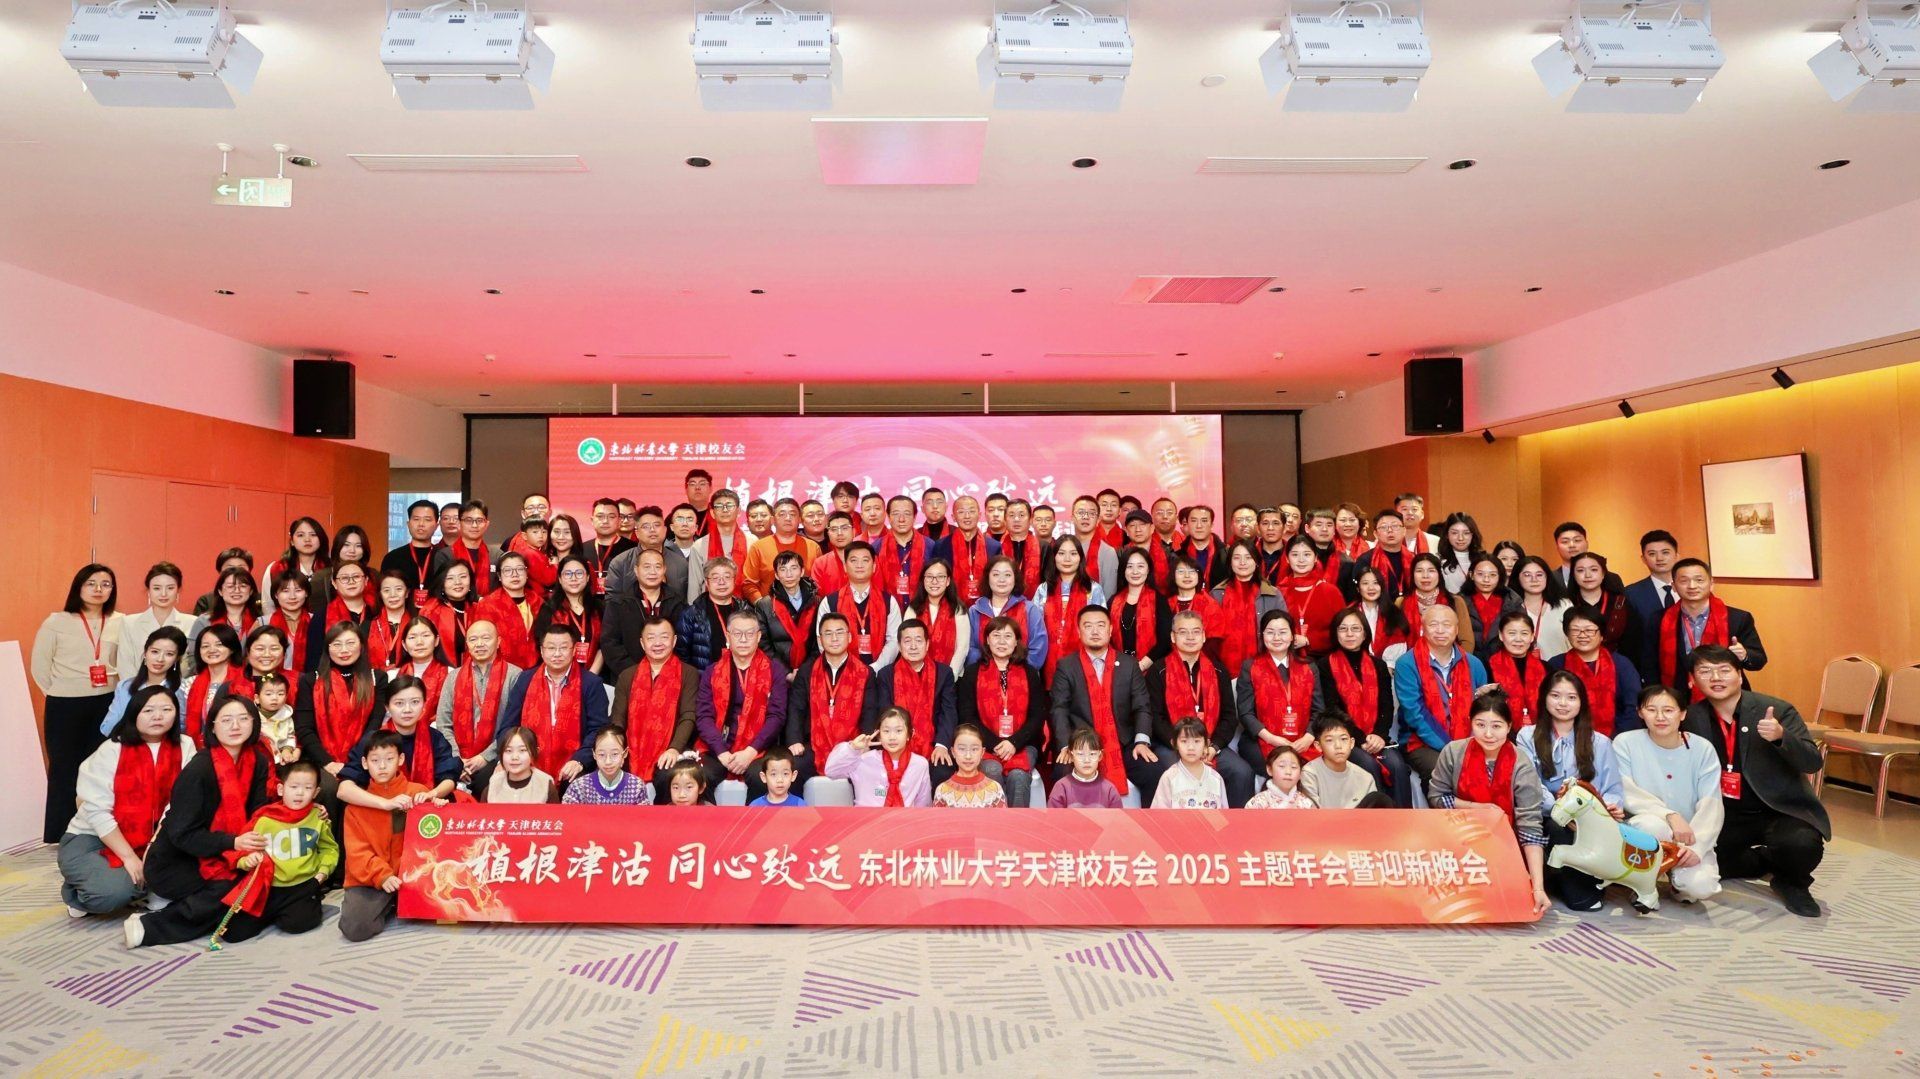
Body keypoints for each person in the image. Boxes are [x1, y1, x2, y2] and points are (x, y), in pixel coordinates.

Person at [1681, 645, 1827, 917]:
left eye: (1724, 670)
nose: (1716, 678)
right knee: (1698, 862)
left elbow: (1812, 762)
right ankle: (1762, 861)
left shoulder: (1777, 709)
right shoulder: (1690, 717)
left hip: (1776, 809)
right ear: (1693, 680)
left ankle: (1791, 882)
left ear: (1739, 675)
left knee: (1801, 845)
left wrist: (1781, 737)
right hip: (1724, 812)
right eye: (1705, 671)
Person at [122, 696, 275, 948]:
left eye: (243, 719)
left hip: (227, 850)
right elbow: (182, 835)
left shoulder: (257, 761)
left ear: (254, 723)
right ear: (212, 726)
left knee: (259, 881)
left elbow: (257, 813)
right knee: (232, 887)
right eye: (226, 720)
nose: (235, 726)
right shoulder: (199, 769)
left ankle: (192, 907)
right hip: (176, 861)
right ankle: (149, 927)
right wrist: (233, 842)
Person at [61, 685, 196, 916]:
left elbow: (179, 803)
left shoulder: (185, 746)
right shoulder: (112, 749)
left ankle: (143, 885)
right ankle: (76, 893)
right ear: (134, 714)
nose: (158, 716)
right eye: (148, 710)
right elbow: (96, 811)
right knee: (112, 894)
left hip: (156, 838)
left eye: (166, 709)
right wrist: (129, 857)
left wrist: (154, 849)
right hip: (95, 837)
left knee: (195, 879)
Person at [1424, 689, 1552, 917]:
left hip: (1506, 844)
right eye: (1480, 725)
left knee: (1506, 902)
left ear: (1509, 726)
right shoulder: (1453, 752)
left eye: (1497, 726)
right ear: (1470, 723)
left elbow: (1530, 826)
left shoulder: (1521, 762)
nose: (1488, 734)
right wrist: (1477, 809)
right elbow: (1436, 797)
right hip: (1457, 840)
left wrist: (1538, 887)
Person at [1520, 671, 1625, 911]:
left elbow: (1613, 789)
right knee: (1559, 827)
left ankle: (1581, 882)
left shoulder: (1600, 742)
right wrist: (1562, 811)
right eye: (1555, 696)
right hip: (1546, 814)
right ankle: (1575, 889)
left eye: (1571, 697)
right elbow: (1531, 785)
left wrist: (1607, 809)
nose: (1563, 703)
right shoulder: (1527, 736)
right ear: (1544, 698)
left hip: (1591, 818)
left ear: (1581, 702)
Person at [34, 564, 124, 843]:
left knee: (100, 767)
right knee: (64, 768)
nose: (98, 589)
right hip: (65, 705)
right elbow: (40, 667)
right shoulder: (56, 622)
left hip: (107, 702)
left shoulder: (121, 621)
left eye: (106, 584)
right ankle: (59, 833)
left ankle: (96, 832)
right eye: (91, 583)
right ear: (78, 587)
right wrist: (61, 691)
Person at [1614, 684, 1723, 904]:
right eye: (1651, 710)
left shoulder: (1703, 749)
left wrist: (1697, 847)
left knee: (1700, 887)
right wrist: (1670, 815)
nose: (1660, 717)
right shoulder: (1625, 743)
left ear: (1682, 714)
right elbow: (1626, 790)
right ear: (1640, 713)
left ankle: (1677, 881)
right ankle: (1643, 883)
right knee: (1650, 826)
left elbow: (1711, 802)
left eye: (1668, 710)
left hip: (1689, 834)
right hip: (1647, 826)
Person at [217, 759, 336, 941]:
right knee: (233, 932)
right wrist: (247, 861)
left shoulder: (318, 817)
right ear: (281, 789)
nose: (299, 793)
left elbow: (329, 848)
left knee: (300, 924)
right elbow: (243, 850)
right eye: (294, 787)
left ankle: (304, 903)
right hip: (269, 886)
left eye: (307, 788)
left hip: (303, 884)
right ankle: (276, 912)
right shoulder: (264, 819)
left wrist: (322, 873)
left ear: (316, 792)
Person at [1049, 605, 1154, 800]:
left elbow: (1142, 706)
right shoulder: (1067, 666)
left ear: (1110, 629)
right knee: (1062, 773)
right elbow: (1059, 709)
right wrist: (1065, 745)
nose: (1095, 631)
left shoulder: (1129, 664)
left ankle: (1143, 822)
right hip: (1082, 747)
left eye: (1100, 625)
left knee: (1153, 771)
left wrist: (1141, 741)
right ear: (1079, 631)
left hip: (1122, 743)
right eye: (1088, 626)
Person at [338, 730, 432, 942]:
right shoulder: (357, 805)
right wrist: (383, 875)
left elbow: (434, 834)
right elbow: (357, 853)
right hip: (372, 877)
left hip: (411, 874)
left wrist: (437, 805)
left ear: (401, 759)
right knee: (355, 928)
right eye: (375, 760)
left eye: (389, 759)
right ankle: (390, 904)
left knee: (443, 906)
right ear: (364, 763)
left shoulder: (417, 792)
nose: (382, 766)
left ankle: (395, 901)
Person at [693, 610, 790, 801]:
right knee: (699, 775)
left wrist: (750, 752)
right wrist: (721, 752)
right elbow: (704, 717)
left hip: (759, 748)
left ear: (759, 637)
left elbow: (776, 716)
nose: (744, 639)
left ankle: (752, 822)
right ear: (728, 636)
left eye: (750, 634)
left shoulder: (774, 670)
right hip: (719, 747)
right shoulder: (712, 671)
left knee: (760, 777)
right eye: (737, 633)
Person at [1315, 608, 1409, 803]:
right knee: (1368, 764)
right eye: (1343, 629)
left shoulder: (1378, 665)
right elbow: (1332, 709)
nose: (1349, 634)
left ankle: (1403, 817)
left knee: (1397, 765)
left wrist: (1379, 735)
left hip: (1377, 737)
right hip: (1346, 738)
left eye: (1355, 629)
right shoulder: (1324, 665)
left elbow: (1386, 706)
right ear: (1335, 633)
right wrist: (1361, 739)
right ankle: (1377, 817)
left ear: (1365, 633)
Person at [497, 624, 608, 789]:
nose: (557, 654)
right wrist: (507, 758)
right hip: (526, 760)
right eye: (551, 648)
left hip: (573, 763)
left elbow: (599, 730)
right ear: (542, 651)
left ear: (574, 650)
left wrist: (580, 760)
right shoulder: (525, 680)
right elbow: (508, 726)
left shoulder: (591, 683)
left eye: (563, 648)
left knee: (578, 783)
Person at [294, 622, 389, 809]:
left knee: (364, 785)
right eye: (336, 644)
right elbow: (304, 729)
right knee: (329, 788)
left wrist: (354, 761)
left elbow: (374, 725)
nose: (344, 650)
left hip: (362, 758)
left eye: (350, 643)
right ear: (327, 648)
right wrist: (328, 763)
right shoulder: (311, 680)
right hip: (321, 760)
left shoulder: (376, 679)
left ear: (361, 645)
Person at [955, 616, 1046, 808]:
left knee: (1018, 776)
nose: (1002, 642)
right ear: (987, 640)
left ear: (1016, 641)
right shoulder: (972, 673)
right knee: (992, 770)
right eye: (996, 636)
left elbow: (1037, 716)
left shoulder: (1029, 673)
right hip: (986, 744)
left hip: (1022, 743)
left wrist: (1014, 742)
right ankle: (993, 824)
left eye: (1008, 636)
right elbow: (967, 716)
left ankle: (1016, 825)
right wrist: (995, 744)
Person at [1393, 604, 1489, 786]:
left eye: (1447, 625)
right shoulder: (1407, 664)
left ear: (1457, 630)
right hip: (1422, 742)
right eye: (1433, 624)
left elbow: (1482, 709)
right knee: (1446, 771)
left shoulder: (1474, 664)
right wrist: (1451, 748)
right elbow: (1415, 714)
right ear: (1423, 629)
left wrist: (1469, 744)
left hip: (1469, 740)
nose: (1440, 630)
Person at [788, 614, 878, 798]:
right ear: (820, 639)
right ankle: (798, 814)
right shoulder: (807, 670)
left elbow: (870, 712)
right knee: (791, 769)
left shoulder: (865, 672)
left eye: (840, 632)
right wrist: (794, 740)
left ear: (850, 637)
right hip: (814, 745)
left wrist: (864, 743)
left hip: (852, 745)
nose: (834, 638)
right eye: (828, 634)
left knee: (870, 769)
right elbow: (796, 708)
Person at [611, 617, 697, 803]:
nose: (658, 643)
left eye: (664, 637)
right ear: (642, 643)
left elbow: (688, 716)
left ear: (674, 640)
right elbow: (618, 719)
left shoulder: (688, 673)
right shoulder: (627, 676)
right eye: (651, 638)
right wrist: (617, 750)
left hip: (672, 747)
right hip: (631, 749)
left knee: (667, 775)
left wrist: (674, 748)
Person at [337, 674, 459, 806]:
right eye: (399, 703)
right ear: (387, 707)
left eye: (415, 702)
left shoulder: (435, 738)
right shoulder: (373, 740)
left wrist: (431, 794)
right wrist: (386, 804)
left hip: (425, 807)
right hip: (380, 808)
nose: (407, 709)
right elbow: (344, 790)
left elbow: (449, 779)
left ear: (424, 704)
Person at [1657, 559, 1767, 703]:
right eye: (1684, 581)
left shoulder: (1738, 618)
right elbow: (1650, 663)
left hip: (1728, 696)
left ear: (1711, 583)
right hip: (1678, 697)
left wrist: (1744, 655)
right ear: (1674, 586)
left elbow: (1759, 660)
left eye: (1699, 580)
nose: (1692, 586)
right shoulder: (1661, 619)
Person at [437, 619, 521, 792]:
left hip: (498, 757)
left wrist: (485, 757)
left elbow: (515, 725)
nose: (479, 644)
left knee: (487, 782)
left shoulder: (515, 675)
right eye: (473, 639)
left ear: (498, 641)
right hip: (458, 756)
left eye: (486, 638)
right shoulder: (453, 677)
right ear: (467, 644)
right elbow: (443, 723)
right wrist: (457, 759)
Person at [871, 620, 958, 784]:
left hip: (932, 744)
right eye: (907, 641)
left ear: (927, 644)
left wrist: (941, 745)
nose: (913, 646)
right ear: (899, 646)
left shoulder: (943, 673)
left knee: (943, 769)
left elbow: (948, 712)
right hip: (896, 744)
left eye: (918, 640)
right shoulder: (886, 675)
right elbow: (885, 714)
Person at [1548, 606, 1644, 735]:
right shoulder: (1556, 664)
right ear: (1567, 635)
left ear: (1602, 635)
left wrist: (1617, 739)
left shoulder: (1621, 664)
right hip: (1567, 735)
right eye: (1575, 630)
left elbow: (1633, 706)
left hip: (1617, 737)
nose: (1582, 635)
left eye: (1589, 630)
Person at [1033, 536, 1108, 681]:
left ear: (1080, 558)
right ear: (1054, 557)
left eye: (1073, 553)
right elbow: (1035, 630)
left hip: (1085, 662)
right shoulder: (1043, 589)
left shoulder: (1093, 589)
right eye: (1061, 553)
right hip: (1048, 662)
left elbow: (1101, 628)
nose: (1067, 559)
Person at [824, 706, 932, 807]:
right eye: (886, 731)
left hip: (902, 820)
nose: (892, 737)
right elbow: (831, 771)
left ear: (909, 734)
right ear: (879, 735)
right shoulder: (863, 760)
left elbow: (923, 804)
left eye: (899, 731)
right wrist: (852, 748)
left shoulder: (920, 764)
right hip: (866, 819)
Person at [814, 544, 900, 669]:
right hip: (842, 672)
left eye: (865, 560)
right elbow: (823, 639)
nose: (859, 565)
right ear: (845, 567)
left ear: (874, 566)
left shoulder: (889, 601)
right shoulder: (829, 602)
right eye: (854, 560)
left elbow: (894, 640)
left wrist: (875, 668)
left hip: (880, 672)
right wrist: (845, 668)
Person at [96, 626, 188, 737]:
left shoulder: (184, 689)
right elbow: (107, 727)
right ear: (145, 653)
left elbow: (184, 728)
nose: (160, 659)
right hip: (127, 743)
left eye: (169, 654)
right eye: (155, 652)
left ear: (177, 659)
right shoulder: (125, 686)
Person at [1211, 540, 1283, 678]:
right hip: (1224, 669)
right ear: (1230, 562)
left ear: (1256, 562)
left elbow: (1284, 630)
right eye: (1237, 558)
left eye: (1248, 557)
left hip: (1266, 668)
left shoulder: (1273, 594)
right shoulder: (1217, 594)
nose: (1242, 562)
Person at [115, 563, 196, 682]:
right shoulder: (129, 623)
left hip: (179, 689)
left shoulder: (193, 623)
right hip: (138, 689)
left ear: (178, 591)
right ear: (149, 591)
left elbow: (192, 666)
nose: (163, 594)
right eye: (157, 588)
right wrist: (140, 690)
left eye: (170, 588)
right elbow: (125, 665)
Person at [1622, 529, 1682, 685]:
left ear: (1676, 555)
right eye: (1652, 554)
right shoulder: (1631, 593)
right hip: (1651, 673)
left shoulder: (1690, 588)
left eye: (1665, 552)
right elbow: (1630, 642)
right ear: (1643, 559)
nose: (1659, 558)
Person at [966, 556, 1047, 669]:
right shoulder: (975, 611)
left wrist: (1012, 670)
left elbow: (1038, 650)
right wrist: (991, 667)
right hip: (982, 673)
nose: (1002, 580)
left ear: (1015, 579)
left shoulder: (1029, 609)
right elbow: (969, 649)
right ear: (987, 578)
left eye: (1007, 575)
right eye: (996, 574)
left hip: (1021, 675)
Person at [1301, 714, 1392, 809]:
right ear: (1318, 746)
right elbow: (1311, 813)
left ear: (1352, 743)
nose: (1338, 746)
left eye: (1343, 739)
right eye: (1329, 740)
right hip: (1322, 818)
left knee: (1381, 799)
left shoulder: (1365, 777)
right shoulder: (1310, 773)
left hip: (1358, 818)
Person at [739, 498, 821, 602]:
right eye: (782, 514)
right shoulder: (758, 547)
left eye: (792, 514)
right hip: (770, 609)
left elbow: (819, 583)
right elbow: (749, 584)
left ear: (800, 519)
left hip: (806, 609)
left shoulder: (813, 547)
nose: (788, 518)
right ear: (773, 520)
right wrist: (763, 605)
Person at [535, 554, 604, 675]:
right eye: (567, 574)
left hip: (595, 675)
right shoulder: (549, 609)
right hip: (558, 676)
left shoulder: (599, 607)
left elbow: (605, 645)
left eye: (579, 573)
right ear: (560, 579)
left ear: (588, 577)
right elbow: (542, 645)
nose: (574, 578)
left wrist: (591, 676)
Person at [676, 558, 750, 670]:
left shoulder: (746, 611)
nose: (721, 582)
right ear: (707, 582)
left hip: (741, 675)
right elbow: (682, 654)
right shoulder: (692, 614)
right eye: (715, 578)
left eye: (727, 577)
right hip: (705, 677)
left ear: (734, 580)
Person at [475, 550, 543, 670]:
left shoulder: (538, 601)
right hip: (501, 670)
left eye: (520, 569)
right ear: (499, 576)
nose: (514, 574)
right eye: (507, 570)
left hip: (536, 669)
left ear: (527, 573)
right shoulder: (488, 605)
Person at [1482, 611, 1549, 728]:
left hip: (1541, 731)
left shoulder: (1546, 668)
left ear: (1532, 636)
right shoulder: (1488, 666)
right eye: (1512, 633)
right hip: (1500, 731)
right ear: (1501, 635)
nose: (1518, 639)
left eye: (1524, 633)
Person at [1277, 536, 1342, 656]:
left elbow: (1342, 628)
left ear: (1315, 558)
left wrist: (1309, 640)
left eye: (1307, 554)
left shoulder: (1331, 592)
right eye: (1295, 555)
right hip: (1285, 657)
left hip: (1323, 658)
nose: (1301, 560)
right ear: (1287, 559)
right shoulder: (1279, 591)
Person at [182, 624, 244, 745]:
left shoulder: (245, 681)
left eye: (219, 645)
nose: (212, 650)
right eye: (205, 646)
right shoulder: (189, 684)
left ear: (232, 648)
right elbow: (181, 724)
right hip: (198, 749)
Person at [931, 494, 998, 607]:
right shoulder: (941, 546)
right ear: (953, 517)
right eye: (961, 512)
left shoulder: (993, 546)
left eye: (971, 511)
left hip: (986, 606)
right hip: (951, 606)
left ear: (979, 515)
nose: (967, 516)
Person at [871, 495, 936, 609]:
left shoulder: (930, 545)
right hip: (888, 611)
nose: (901, 519)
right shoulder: (876, 547)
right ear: (888, 516)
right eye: (896, 514)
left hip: (923, 609)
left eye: (907, 513)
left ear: (914, 517)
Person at [1401, 554, 1474, 654]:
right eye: (1419, 571)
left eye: (1431, 570)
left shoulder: (1455, 601)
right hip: (1410, 660)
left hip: (1450, 660)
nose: (1425, 576)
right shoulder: (1401, 603)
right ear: (1412, 575)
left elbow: (1467, 642)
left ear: (1439, 574)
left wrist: (1453, 661)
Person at [379, 499, 451, 602]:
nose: (421, 524)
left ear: (436, 525)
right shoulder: (392, 557)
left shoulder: (445, 556)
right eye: (416, 519)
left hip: (438, 610)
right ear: (408, 524)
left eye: (427, 519)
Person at [563, 727, 653, 805]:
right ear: (594, 754)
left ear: (625, 753)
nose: (608, 762)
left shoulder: (637, 786)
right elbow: (567, 816)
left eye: (614, 754)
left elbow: (643, 817)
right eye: (602, 755)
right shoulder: (579, 787)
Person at [1152, 719, 1229, 809]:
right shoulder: (1169, 778)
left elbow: (1224, 814)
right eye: (1184, 741)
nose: (1191, 747)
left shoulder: (1216, 779)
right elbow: (1159, 814)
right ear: (1174, 743)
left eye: (1197, 741)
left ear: (1206, 744)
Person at [1109, 547, 1165, 670]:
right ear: (1123, 570)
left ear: (1148, 569)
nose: (1135, 572)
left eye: (1140, 566)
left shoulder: (1158, 600)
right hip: (1118, 668)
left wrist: (1141, 666)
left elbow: (1165, 641)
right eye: (1129, 566)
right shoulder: (1113, 601)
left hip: (1151, 669)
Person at [1507, 556, 1572, 660]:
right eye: (1527, 575)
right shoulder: (1510, 608)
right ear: (1517, 578)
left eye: (1539, 575)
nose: (1534, 580)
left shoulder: (1565, 605)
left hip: (1561, 667)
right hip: (1523, 667)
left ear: (1547, 577)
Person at [932, 722, 1008, 808]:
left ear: (982, 752)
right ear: (953, 752)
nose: (968, 756)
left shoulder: (995, 789)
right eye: (962, 749)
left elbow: (1002, 817)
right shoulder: (942, 791)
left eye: (974, 749)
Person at [1568, 552, 1630, 652]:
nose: (1588, 575)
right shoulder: (1566, 604)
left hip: (1613, 658)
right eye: (1580, 570)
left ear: (1603, 573)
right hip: (1573, 659)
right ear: (1573, 575)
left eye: (1594, 570)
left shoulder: (1620, 602)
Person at [1048, 728, 1124, 808]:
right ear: (1071, 756)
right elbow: (1053, 815)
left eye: (1092, 754)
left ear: (1100, 756)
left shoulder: (1109, 790)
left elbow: (1117, 816)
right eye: (1080, 754)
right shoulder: (1061, 787)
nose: (1087, 760)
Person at [1347, 510, 1414, 602]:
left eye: (1395, 526)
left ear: (1404, 531)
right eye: (1384, 527)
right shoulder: (1365, 560)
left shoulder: (1413, 559)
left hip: (1410, 608)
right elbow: (1356, 593)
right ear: (1376, 534)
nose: (1390, 530)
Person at [418, 560, 476, 667]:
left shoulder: (478, 609)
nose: (457, 582)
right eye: (450, 578)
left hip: (475, 672)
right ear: (441, 583)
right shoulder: (431, 611)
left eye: (463, 576)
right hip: (440, 673)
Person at [265, 571, 323, 674]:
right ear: (276, 595)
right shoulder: (263, 623)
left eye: (298, 590)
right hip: (273, 681)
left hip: (310, 680)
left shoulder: (317, 621)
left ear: (306, 593)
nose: (292, 597)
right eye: (285, 591)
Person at [1350, 566, 1409, 665]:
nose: (1371, 588)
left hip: (1389, 667)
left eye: (1376, 583)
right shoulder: (1349, 613)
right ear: (1358, 588)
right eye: (1365, 583)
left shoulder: (1393, 613)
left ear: (1382, 586)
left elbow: (1399, 640)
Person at [485, 726, 557, 804]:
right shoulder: (493, 785)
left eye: (522, 750)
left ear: (535, 752)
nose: (514, 757)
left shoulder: (546, 785)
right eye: (509, 750)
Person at [262, 517, 331, 596]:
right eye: (300, 535)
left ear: (321, 539)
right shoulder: (277, 568)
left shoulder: (331, 567)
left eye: (313, 535)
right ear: (292, 541)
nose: (307, 539)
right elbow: (268, 602)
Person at [1551, 522, 1625, 592]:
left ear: (1587, 544)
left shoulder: (1612, 579)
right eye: (1565, 542)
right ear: (1557, 547)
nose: (1572, 545)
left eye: (1577, 540)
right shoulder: (1549, 579)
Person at [366, 570, 416, 668]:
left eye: (398, 589)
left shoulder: (418, 624)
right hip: (377, 676)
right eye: (386, 590)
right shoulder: (368, 625)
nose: (393, 595)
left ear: (407, 593)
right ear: (380, 595)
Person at [445, 500, 495, 599]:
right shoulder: (446, 555)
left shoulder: (496, 555)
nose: (474, 525)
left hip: (491, 607)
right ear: (459, 523)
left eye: (479, 520)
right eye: (468, 520)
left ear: (487, 524)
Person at [997, 499, 1046, 597]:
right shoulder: (996, 546)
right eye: (1011, 515)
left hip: (1036, 602)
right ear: (1005, 520)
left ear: (1030, 520)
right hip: (1003, 600)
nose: (1016, 519)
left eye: (1021, 515)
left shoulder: (1043, 546)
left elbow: (1048, 581)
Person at [1461, 553, 1509, 647]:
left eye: (1492, 575)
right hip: (1469, 653)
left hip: (1503, 653)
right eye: (1480, 574)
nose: (1486, 580)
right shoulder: (1459, 601)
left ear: (1500, 576)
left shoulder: (1512, 600)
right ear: (1471, 575)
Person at [1244, 745, 1315, 809]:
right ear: (1269, 770)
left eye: (1293, 767)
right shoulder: (1258, 803)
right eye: (1281, 766)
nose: (1288, 772)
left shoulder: (1306, 804)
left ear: (1300, 773)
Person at [808, 511, 857, 598]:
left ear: (853, 532)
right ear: (828, 534)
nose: (839, 533)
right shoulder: (820, 563)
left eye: (844, 528)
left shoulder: (867, 559)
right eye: (834, 529)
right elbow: (817, 597)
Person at [255, 671, 296, 765]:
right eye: (268, 694)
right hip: (259, 759)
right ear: (257, 698)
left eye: (280, 694)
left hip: (280, 759)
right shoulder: (252, 715)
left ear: (286, 697)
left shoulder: (286, 716)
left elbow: (290, 736)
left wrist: (287, 750)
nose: (274, 698)